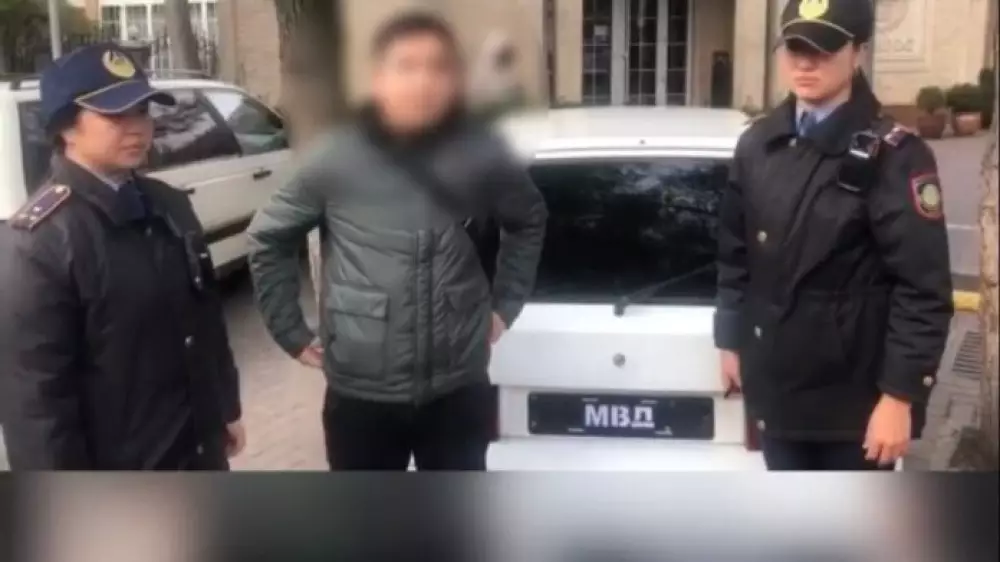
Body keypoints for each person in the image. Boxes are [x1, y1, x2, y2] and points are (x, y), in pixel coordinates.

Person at [247, 11, 547, 471]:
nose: (422, 81)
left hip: (457, 391)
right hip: (363, 395)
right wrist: (291, 333)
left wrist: (505, 304)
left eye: (437, 67)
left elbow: (528, 219)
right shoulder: (337, 157)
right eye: (406, 66)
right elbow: (268, 236)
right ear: (378, 79)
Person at [714, 0, 953, 471]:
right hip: (779, 393)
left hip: (853, 409)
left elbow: (922, 289)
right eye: (795, 48)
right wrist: (731, 339)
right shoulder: (758, 143)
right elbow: (735, 254)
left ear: (857, 52)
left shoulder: (896, 155)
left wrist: (900, 396)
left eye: (822, 50)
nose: (805, 64)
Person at [0, 44, 244, 470]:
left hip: (196, 450)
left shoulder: (167, 204)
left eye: (143, 111)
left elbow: (205, 320)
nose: (137, 128)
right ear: (66, 128)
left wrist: (225, 406)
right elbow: (37, 406)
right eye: (115, 115)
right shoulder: (38, 242)